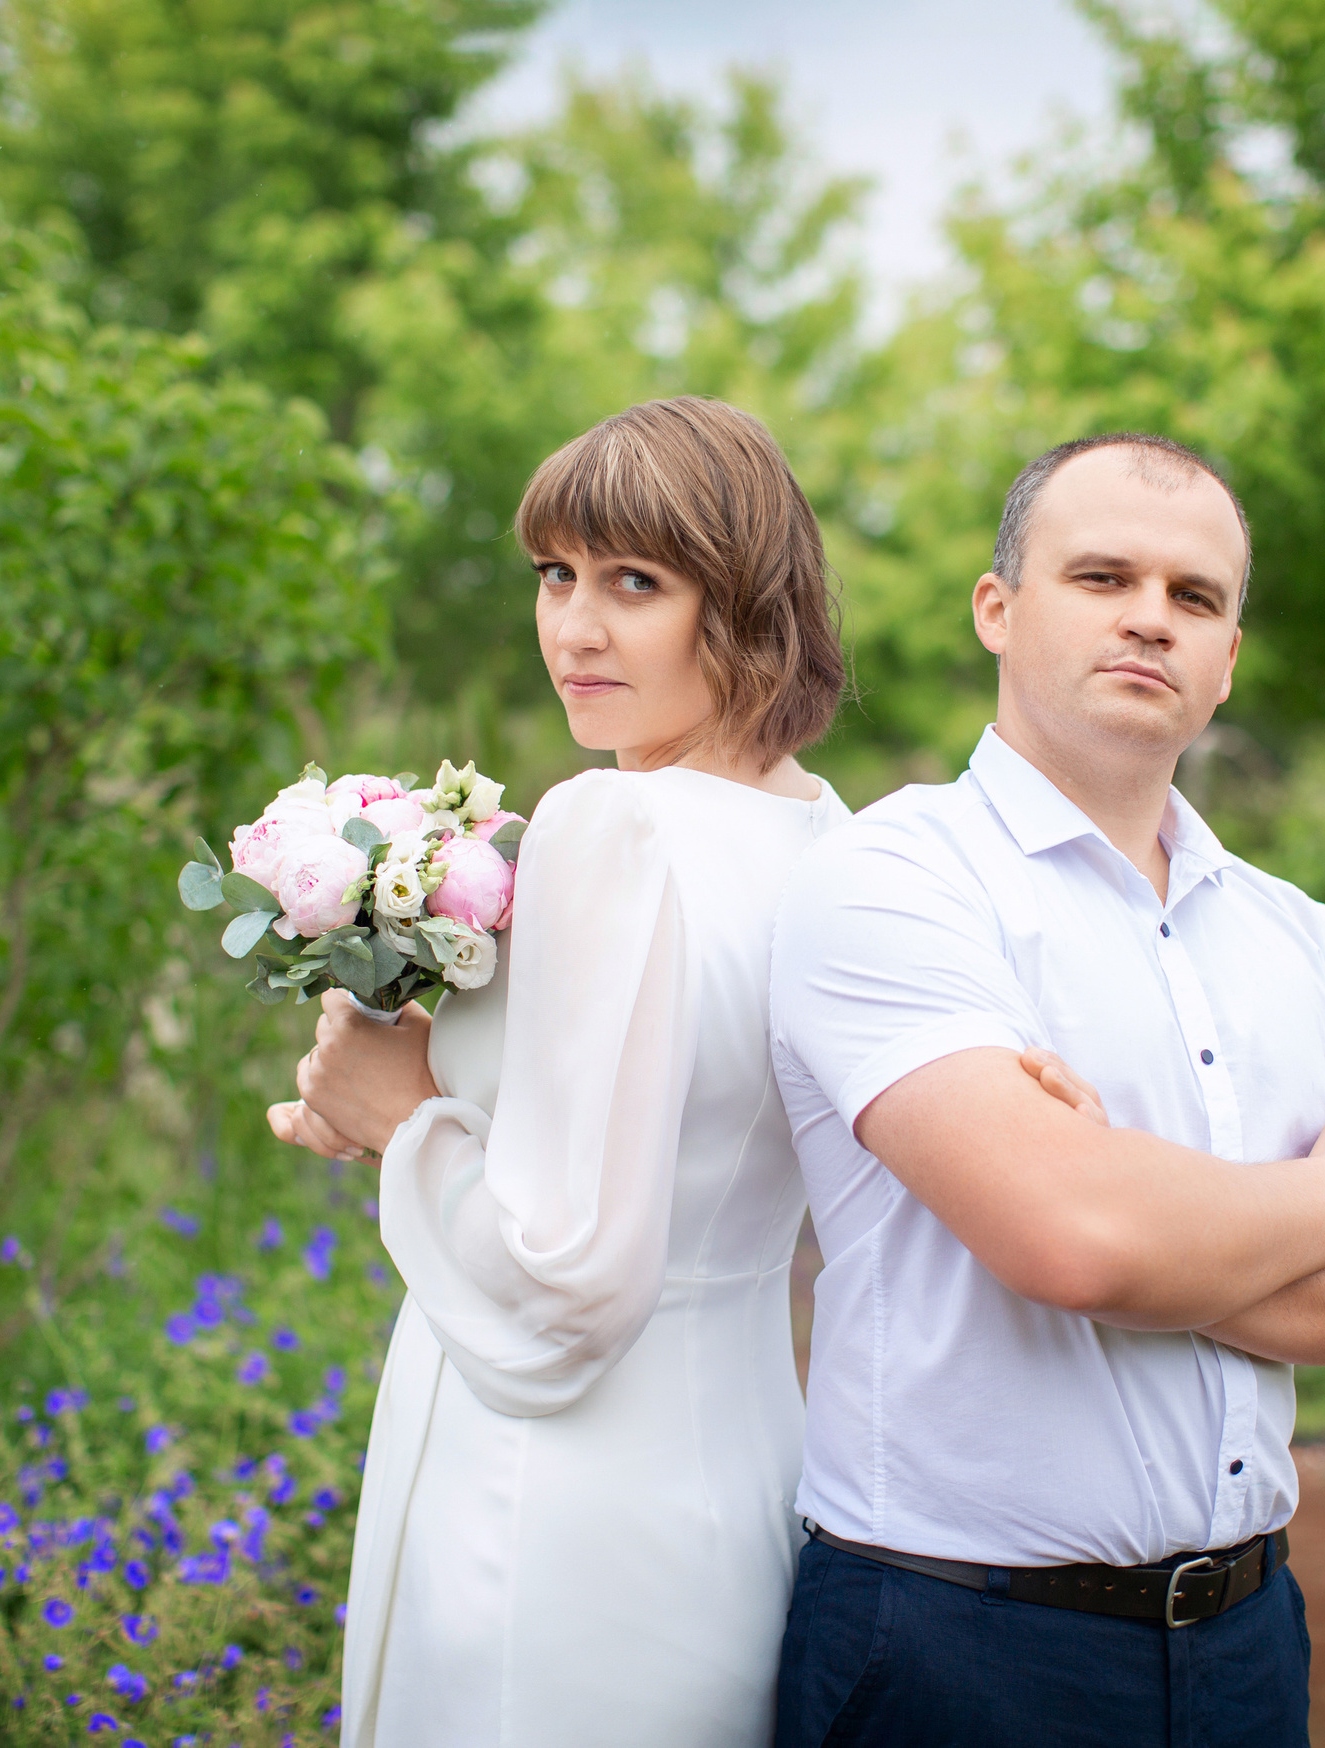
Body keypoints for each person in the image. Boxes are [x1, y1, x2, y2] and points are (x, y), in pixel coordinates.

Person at [767, 433, 1325, 1747]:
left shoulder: (1298, 936)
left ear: (1227, 662)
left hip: (1252, 1649)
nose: (1151, 618)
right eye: (1102, 575)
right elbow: (1077, 1241)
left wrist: (1141, 1207)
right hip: (952, 1650)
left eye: (1195, 597)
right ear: (999, 608)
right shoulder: (893, 879)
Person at [262, 397, 856, 1747]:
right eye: (557, 576)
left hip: (549, 1515)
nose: (574, 629)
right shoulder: (823, 834)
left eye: (634, 584)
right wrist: (435, 1101)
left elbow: (568, 1288)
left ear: (750, 602)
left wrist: (406, 1116)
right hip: (740, 1475)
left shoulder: (611, 824)